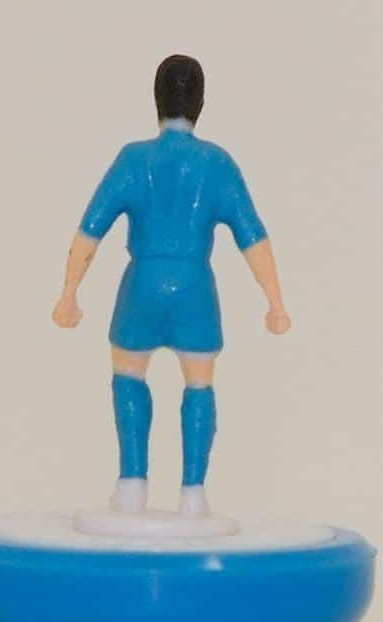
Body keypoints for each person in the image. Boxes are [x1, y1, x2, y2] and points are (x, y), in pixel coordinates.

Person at [52, 54, 290, 517]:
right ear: (201, 102)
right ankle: (193, 493)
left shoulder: (133, 159)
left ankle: (131, 483)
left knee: (128, 374)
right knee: (199, 383)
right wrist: (275, 303)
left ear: (156, 99)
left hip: (141, 284)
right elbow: (253, 238)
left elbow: (89, 231)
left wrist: (69, 293)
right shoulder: (217, 163)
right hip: (195, 288)